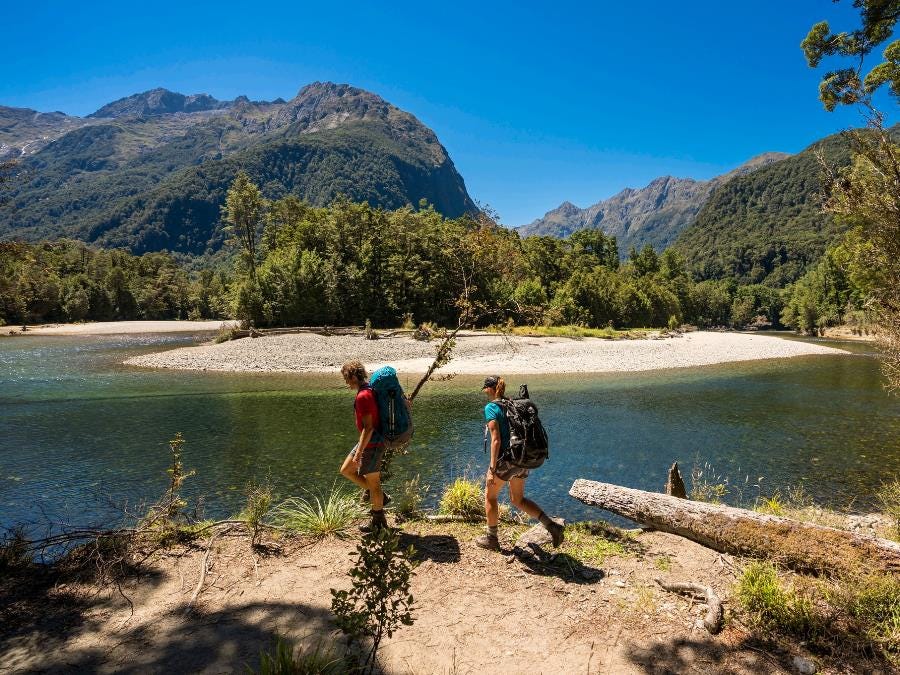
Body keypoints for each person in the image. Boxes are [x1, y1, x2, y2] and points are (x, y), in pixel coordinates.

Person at [475, 375, 564, 551]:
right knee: (517, 499)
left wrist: (492, 469)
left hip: (507, 461)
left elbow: (496, 440)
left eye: (485, 389)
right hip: (522, 459)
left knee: (490, 496)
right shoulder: (512, 404)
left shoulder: (491, 408)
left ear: (490, 389)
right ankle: (551, 526)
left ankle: (492, 539)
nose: (484, 392)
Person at [338, 360, 390, 532]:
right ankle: (381, 498)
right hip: (368, 442)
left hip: (372, 444)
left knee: (373, 484)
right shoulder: (367, 389)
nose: (346, 382)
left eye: (347, 378)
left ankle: (378, 522)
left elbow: (369, 427)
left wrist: (360, 452)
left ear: (353, 376)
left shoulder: (363, 396)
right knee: (346, 470)